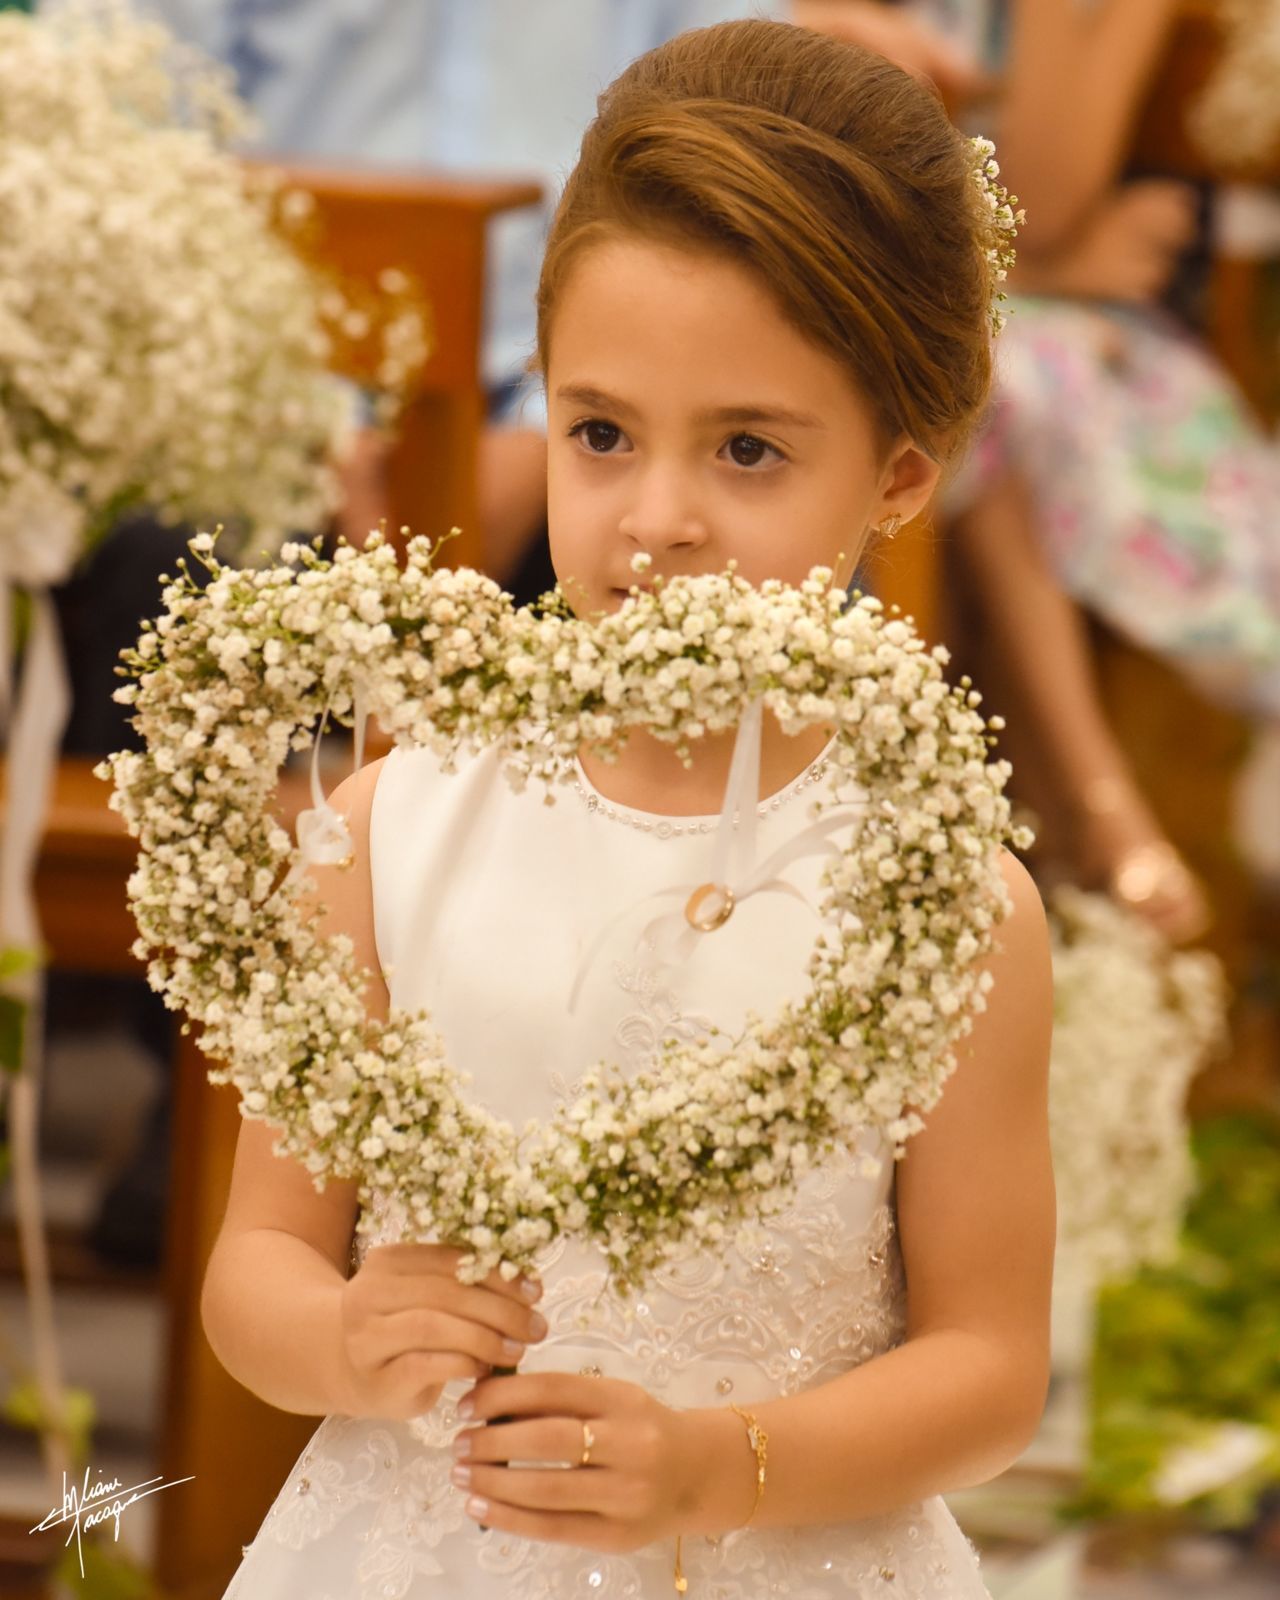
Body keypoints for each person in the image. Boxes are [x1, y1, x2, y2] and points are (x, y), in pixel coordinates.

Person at [202, 21, 1054, 1597]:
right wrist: (345, 1333)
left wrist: (722, 1465)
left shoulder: (946, 906)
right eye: (599, 433)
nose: (656, 521)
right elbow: (254, 1272)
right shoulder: (396, 830)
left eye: (746, 450)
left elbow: (992, 1366)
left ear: (898, 473)